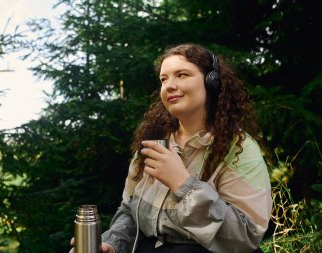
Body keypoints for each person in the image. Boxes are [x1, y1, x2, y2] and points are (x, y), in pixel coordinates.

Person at [70, 43, 272, 253]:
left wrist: (183, 185)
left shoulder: (238, 147)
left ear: (212, 82)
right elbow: (129, 211)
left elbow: (246, 235)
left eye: (182, 75)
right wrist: (112, 243)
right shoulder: (153, 142)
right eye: (164, 79)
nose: (169, 86)